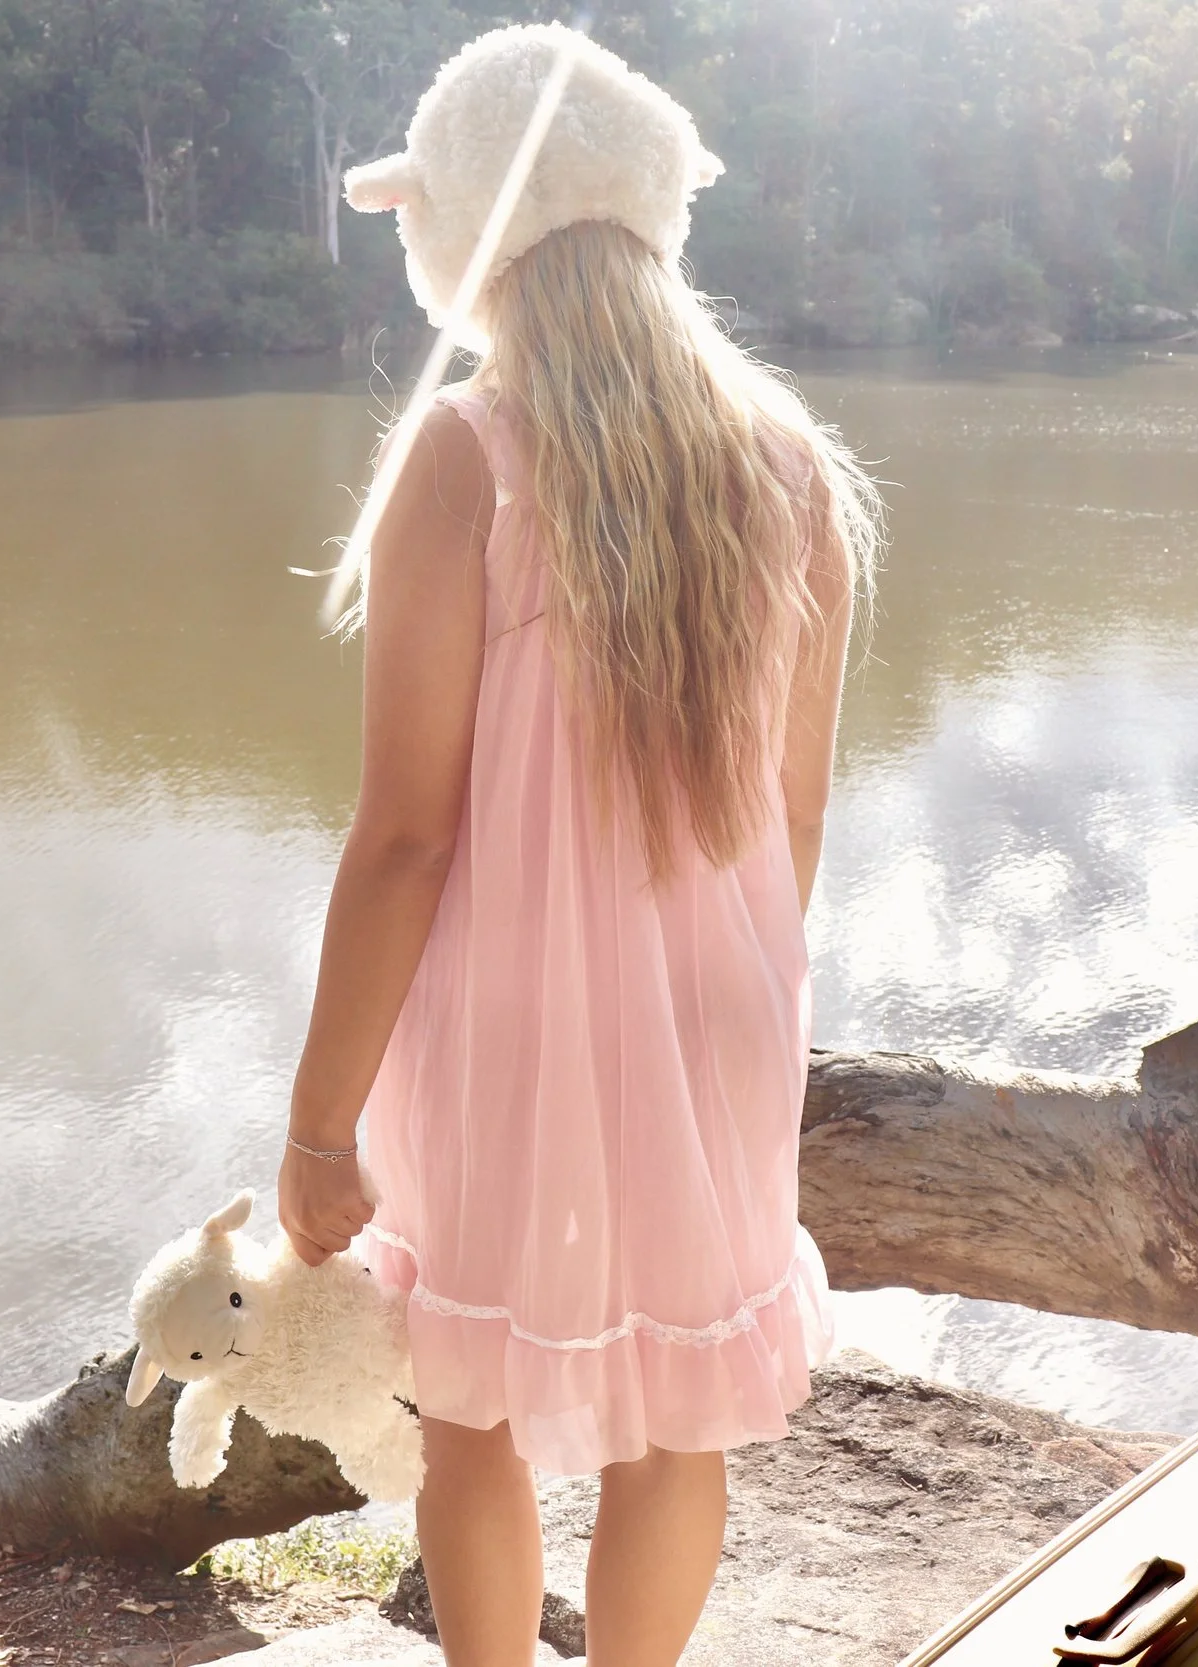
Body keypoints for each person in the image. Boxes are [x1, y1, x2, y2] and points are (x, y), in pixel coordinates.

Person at [274, 25, 882, 1667]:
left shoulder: (467, 455)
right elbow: (798, 812)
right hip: (719, 1021)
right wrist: (724, 988)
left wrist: (320, 1125)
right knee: (676, 1416)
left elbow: (407, 838)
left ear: (471, 233)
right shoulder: (789, 468)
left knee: (467, 1405)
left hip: (508, 1027)